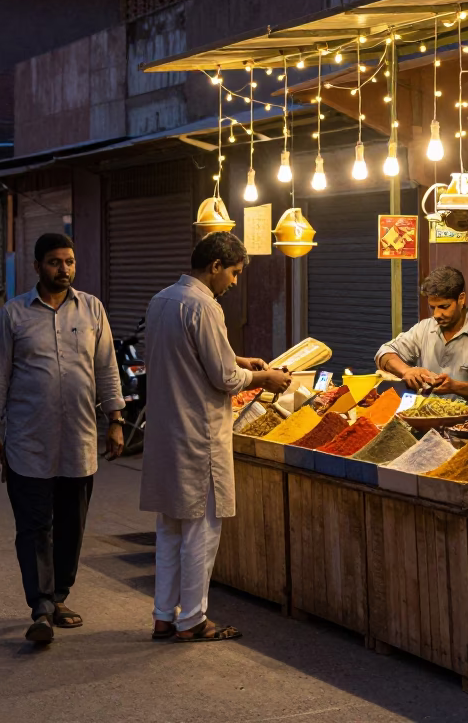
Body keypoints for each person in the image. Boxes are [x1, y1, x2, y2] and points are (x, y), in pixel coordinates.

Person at [140, 232, 290, 642]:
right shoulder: (205, 306)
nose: (235, 282)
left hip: (166, 432)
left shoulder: (162, 300)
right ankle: (193, 620)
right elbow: (224, 378)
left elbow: (185, 352)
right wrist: (263, 377)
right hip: (198, 435)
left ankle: (162, 616)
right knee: (201, 531)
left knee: (170, 526)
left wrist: (236, 356)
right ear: (215, 267)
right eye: (235, 273)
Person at [0, 233, 125, 646]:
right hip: (28, 442)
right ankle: (41, 608)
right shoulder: (14, 315)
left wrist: (115, 419)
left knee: (71, 526)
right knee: (33, 527)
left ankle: (60, 596)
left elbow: (107, 369)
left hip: (79, 440)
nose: (64, 269)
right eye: (55, 262)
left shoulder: (92, 308)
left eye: (70, 261)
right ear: (38, 266)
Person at [376, 266, 468, 403]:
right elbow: (384, 353)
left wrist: (456, 387)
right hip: (423, 417)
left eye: (444, 307)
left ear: (461, 299)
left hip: (466, 421)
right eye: (432, 307)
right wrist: (406, 371)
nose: (436, 315)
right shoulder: (424, 328)